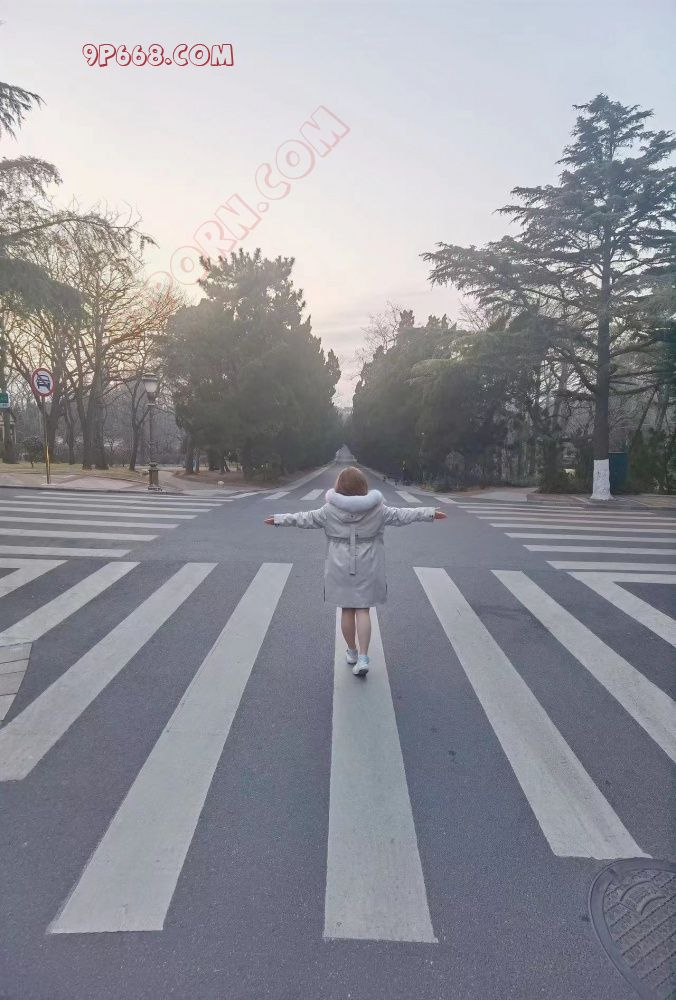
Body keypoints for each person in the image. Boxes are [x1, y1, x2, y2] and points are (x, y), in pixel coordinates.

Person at [264, 466, 447, 677]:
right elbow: (403, 515)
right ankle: (363, 657)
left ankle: (351, 652)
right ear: (363, 486)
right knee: (363, 610)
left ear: (339, 486)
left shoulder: (328, 510)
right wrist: (429, 513)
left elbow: (304, 518)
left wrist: (278, 519)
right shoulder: (378, 509)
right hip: (369, 562)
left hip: (339, 564)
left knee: (347, 610)